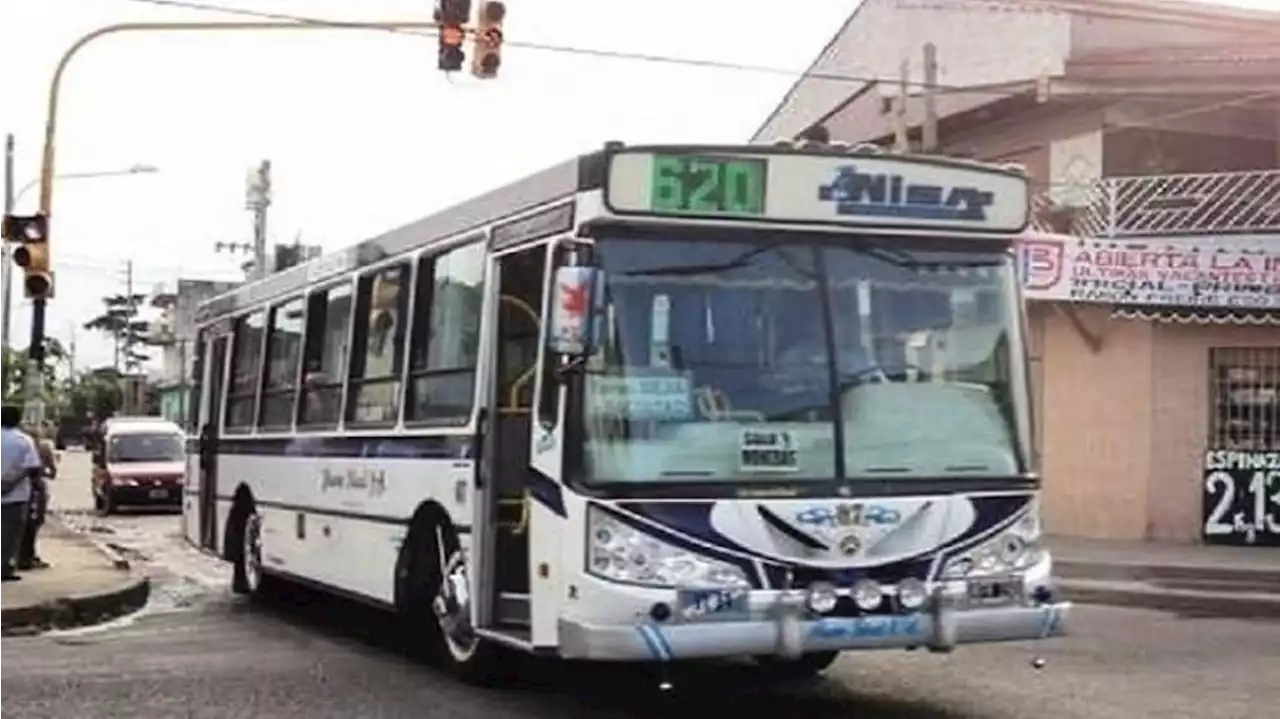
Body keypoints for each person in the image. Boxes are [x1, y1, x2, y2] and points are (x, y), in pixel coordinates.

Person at [0, 405, 42, 582]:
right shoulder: (24, 441)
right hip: (16, 495)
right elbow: (31, 466)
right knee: (10, 534)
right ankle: (4, 569)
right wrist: (10, 483)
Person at [17, 423, 58, 570]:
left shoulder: (19, 446)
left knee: (22, 523)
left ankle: (22, 555)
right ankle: (28, 555)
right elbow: (53, 472)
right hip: (36, 489)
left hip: (18, 489)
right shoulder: (44, 448)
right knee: (34, 523)